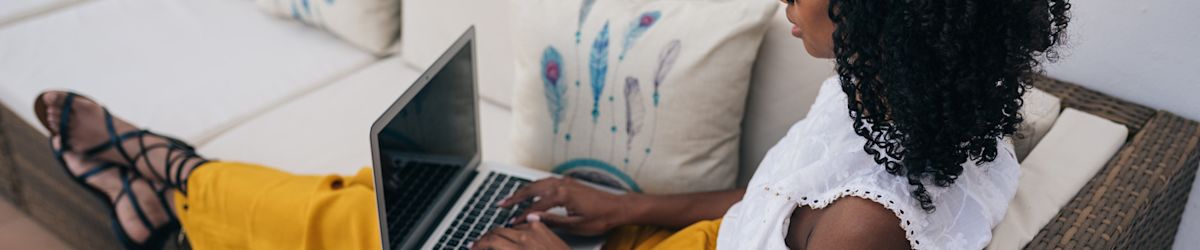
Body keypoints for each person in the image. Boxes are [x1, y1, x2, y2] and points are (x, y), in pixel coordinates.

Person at [34, 0, 1070, 248]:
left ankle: (170, 178)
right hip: (702, 240)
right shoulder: (911, 102)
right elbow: (778, 204)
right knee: (417, 203)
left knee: (376, 231)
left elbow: (825, 219)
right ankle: (174, 197)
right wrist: (633, 206)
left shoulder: (866, 228)